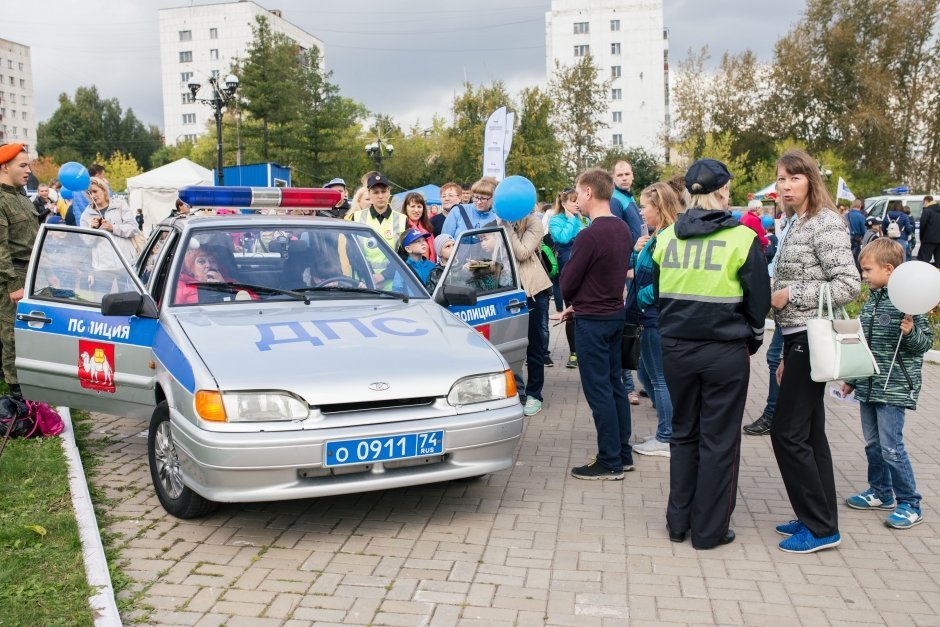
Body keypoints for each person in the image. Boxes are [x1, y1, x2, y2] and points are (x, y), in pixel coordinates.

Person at [651, 158, 770, 549]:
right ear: (722, 192)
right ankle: (709, 531)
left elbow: (657, 295)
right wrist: (751, 339)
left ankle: (677, 523)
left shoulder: (665, 238)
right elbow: (758, 303)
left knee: (683, 433)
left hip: (676, 350)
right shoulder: (743, 239)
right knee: (719, 440)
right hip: (724, 352)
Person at [770, 149, 860, 554]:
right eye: (781, 178)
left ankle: (821, 527)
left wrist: (792, 293)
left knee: (787, 433)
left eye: (794, 177)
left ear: (810, 179)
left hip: (812, 334)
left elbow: (848, 284)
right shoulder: (794, 222)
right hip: (798, 338)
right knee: (809, 433)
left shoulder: (825, 223)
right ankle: (817, 515)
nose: (785, 185)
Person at [840, 238, 932, 529]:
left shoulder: (909, 303)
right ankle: (881, 492)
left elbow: (924, 344)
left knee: (892, 447)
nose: (863, 275)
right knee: (873, 444)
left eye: (867, 270)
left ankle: (910, 503)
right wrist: (853, 380)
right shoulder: (872, 302)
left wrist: (910, 333)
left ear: (889, 269)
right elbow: (864, 346)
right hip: (869, 386)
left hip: (894, 388)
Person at [559, 168, 633, 480]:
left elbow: (568, 280)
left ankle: (610, 461)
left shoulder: (590, 234)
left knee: (599, 390)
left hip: (592, 320)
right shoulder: (622, 230)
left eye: (578, 192)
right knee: (614, 385)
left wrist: (575, 299)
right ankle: (623, 454)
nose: (576, 198)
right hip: (615, 315)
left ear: (589, 192)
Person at [628, 182, 681, 458]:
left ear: (658, 206)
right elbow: (642, 272)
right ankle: (667, 428)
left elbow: (665, 282)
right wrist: (637, 251)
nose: (641, 212)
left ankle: (667, 436)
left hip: (655, 316)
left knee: (659, 378)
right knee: (646, 374)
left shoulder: (669, 238)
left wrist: (643, 298)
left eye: (644, 206)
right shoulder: (658, 235)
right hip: (649, 315)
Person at [744, 200, 796, 437]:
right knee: (777, 358)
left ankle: (777, 416)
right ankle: (780, 415)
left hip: (799, 311)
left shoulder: (815, 222)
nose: (785, 190)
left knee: (779, 358)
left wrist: (790, 292)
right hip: (785, 308)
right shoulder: (790, 222)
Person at [502, 209, 553, 417]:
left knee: (534, 345)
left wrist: (505, 226)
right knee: (506, 343)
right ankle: (512, 391)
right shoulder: (495, 221)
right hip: (505, 292)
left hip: (532, 292)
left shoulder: (533, 223)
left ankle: (534, 395)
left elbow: (522, 252)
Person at [0, 143, 40, 399]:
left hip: (31, 273)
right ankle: (17, 396)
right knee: (12, 335)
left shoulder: (20, 197)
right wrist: (13, 284)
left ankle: (31, 387)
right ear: (5, 167)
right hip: (13, 277)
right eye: (22, 165)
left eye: (29, 165)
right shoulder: (2, 199)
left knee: (29, 331)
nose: (29, 171)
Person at [548, 189, 584, 369]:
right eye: (573, 201)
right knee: (572, 313)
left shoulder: (585, 218)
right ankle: (574, 352)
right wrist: (571, 220)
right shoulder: (556, 220)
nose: (577, 204)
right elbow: (562, 238)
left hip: (587, 270)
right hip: (568, 271)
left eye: (578, 200)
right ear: (563, 204)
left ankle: (585, 350)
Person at [349, 173, 407, 287]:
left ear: (389, 192)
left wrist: (384, 275)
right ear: (369, 193)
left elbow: (404, 253)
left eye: (384, 191)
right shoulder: (356, 217)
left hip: (394, 285)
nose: (380, 196)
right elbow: (352, 251)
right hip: (364, 283)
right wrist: (369, 277)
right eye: (376, 192)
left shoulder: (402, 219)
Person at [401, 192, 436, 262]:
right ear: (406, 208)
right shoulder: (402, 227)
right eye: (412, 206)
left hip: (429, 268)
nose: (416, 210)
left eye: (419, 206)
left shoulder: (428, 228)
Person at [69, 162, 105, 226]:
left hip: (81, 224)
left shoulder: (77, 188)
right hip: (94, 225)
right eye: (102, 175)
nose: (103, 178)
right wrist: (106, 187)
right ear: (98, 174)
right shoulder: (95, 188)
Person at [918, 195, 939, 267]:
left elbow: (922, 226)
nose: (923, 205)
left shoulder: (927, 211)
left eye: (923, 203)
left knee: (923, 260)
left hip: (928, 240)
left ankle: (923, 276)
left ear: (926, 201)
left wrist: (921, 238)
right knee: (939, 262)